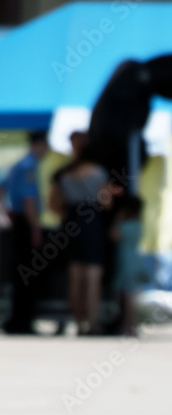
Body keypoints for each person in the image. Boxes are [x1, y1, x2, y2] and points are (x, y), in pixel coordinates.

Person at [49, 141, 113, 335]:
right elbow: (107, 202)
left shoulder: (63, 174)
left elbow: (53, 204)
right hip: (92, 224)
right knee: (93, 275)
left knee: (75, 275)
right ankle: (92, 323)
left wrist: (67, 213)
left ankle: (78, 321)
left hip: (71, 222)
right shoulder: (98, 173)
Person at [2, 131, 50, 334]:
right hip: (27, 222)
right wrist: (36, 229)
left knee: (20, 273)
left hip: (18, 220)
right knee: (29, 273)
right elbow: (29, 201)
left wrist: (7, 213)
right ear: (38, 144)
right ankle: (23, 321)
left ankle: (18, 319)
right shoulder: (30, 166)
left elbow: (2, 188)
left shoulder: (17, 165)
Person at [111, 195, 144, 336]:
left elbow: (113, 235)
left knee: (127, 298)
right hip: (134, 261)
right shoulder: (138, 224)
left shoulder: (127, 225)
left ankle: (128, 326)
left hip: (127, 262)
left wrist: (117, 219)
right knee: (131, 297)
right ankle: (131, 325)